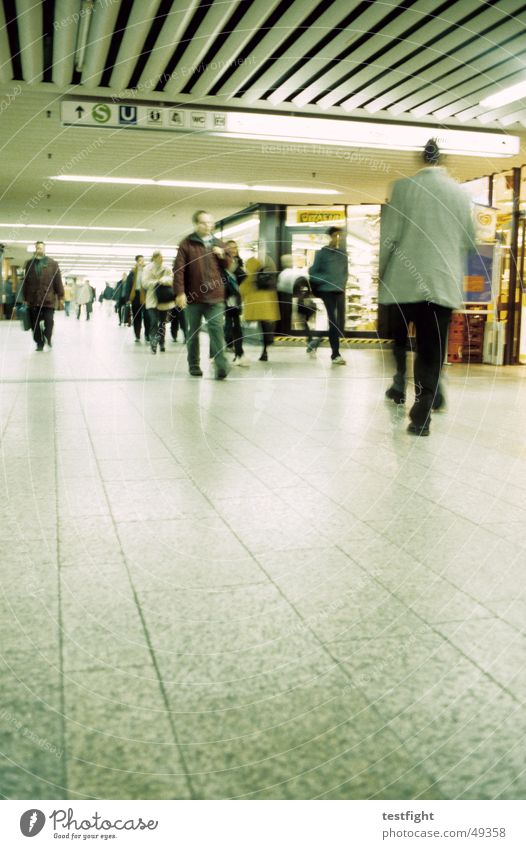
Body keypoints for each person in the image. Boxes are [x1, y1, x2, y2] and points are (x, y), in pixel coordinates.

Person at [379, 138, 475, 436]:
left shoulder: (403, 187)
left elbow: (390, 237)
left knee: (399, 341)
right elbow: (470, 240)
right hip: (440, 286)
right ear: (444, 158)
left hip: (402, 283)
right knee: (431, 352)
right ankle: (421, 418)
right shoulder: (460, 193)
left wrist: (381, 275)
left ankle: (398, 382)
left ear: (421, 158)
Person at [173, 210, 230, 379]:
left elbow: (228, 265)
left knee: (216, 330)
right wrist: (180, 292)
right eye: (204, 222)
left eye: (210, 222)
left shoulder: (219, 243)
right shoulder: (187, 244)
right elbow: (179, 270)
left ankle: (221, 365)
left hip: (215, 296)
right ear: (196, 224)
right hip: (194, 297)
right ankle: (194, 364)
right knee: (193, 332)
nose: (208, 226)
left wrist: (222, 255)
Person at [308, 227, 348, 364]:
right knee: (333, 321)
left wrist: (342, 284)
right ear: (330, 237)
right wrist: (328, 279)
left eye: (340, 236)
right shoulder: (322, 254)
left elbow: (345, 272)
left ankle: (315, 342)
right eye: (336, 236)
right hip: (326, 291)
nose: (339, 238)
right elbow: (312, 273)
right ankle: (335, 354)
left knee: (334, 321)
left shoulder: (343, 254)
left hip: (338, 291)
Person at [22, 240, 64, 351]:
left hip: (48, 299)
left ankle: (48, 338)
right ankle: (39, 343)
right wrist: (25, 298)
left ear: (44, 249)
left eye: (41, 247)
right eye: (37, 247)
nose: (39, 249)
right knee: (34, 324)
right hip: (33, 299)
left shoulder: (53, 264)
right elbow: (26, 281)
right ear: (35, 248)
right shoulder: (29, 264)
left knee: (49, 322)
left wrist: (61, 296)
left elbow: (57, 281)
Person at [240, 255, 279, 362]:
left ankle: (238, 350)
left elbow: (242, 291)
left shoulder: (249, 278)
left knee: (239, 329)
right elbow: (273, 295)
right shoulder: (266, 279)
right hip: (267, 310)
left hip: (255, 310)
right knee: (265, 330)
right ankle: (265, 351)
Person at [142, 251, 175, 354]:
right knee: (153, 321)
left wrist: (164, 280)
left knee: (162, 323)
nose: (162, 258)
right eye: (159, 257)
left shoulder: (167, 268)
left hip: (163, 298)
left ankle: (162, 343)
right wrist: (156, 282)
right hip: (152, 298)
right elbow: (144, 283)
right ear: (154, 258)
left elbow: (172, 280)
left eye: (162, 256)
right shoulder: (147, 269)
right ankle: (154, 343)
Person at [223, 240, 248, 366]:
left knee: (235, 326)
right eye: (230, 248)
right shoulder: (222, 262)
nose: (233, 250)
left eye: (235, 247)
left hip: (235, 299)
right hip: (223, 297)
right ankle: (216, 354)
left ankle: (239, 354)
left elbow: (243, 277)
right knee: (226, 326)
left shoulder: (238, 262)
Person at [127, 255, 150, 343]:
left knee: (147, 317)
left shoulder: (147, 271)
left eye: (143, 260)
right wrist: (128, 298)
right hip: (135, 296)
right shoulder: (132, 272)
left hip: (145, 296)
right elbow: (128, 286)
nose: (142, 262)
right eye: (140, 260)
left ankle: (147, 335)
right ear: (136, 262)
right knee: (137, 317)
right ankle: (137, 335)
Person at [276, 254, 300, 334]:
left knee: (283, 315)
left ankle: (284, 331)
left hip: (283, 296)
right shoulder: (294, 272)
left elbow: (280, 286)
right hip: (290, 297)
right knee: (288, 315)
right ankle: (287, 331)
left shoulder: (283, 273)